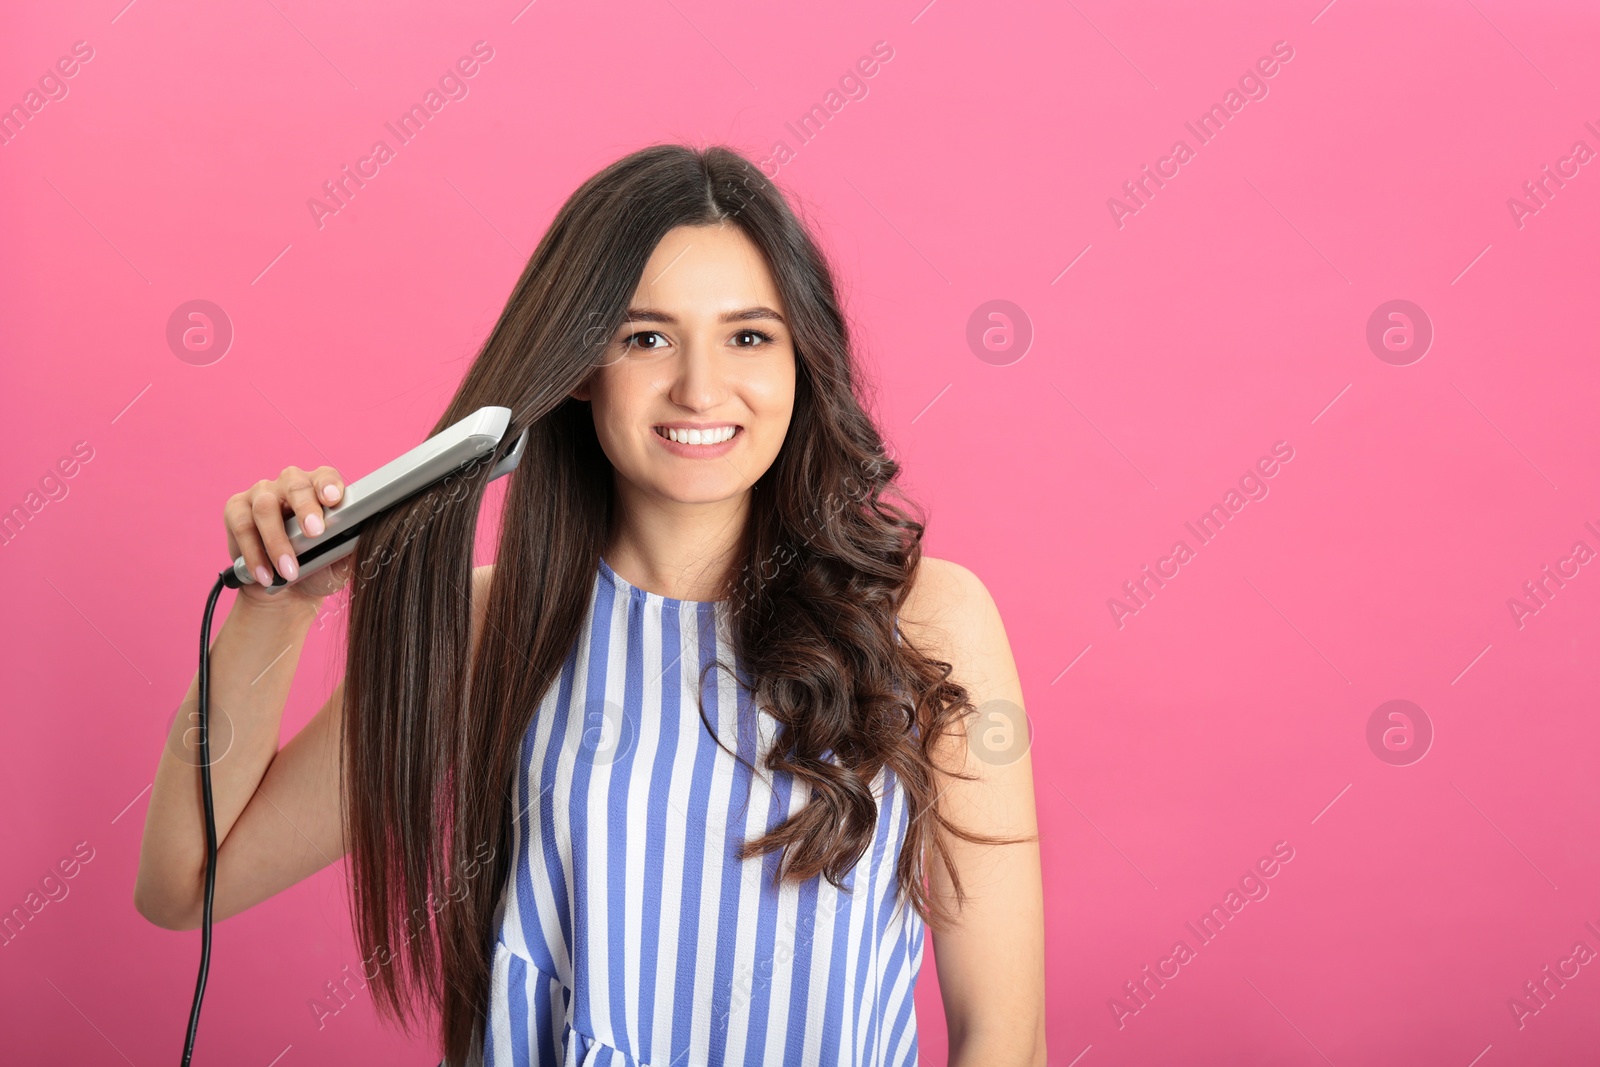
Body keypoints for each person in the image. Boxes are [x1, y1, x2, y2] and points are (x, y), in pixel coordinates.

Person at [135, 143, 1046, 1066]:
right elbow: (183, 883)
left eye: (748, 335)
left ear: (802, 357)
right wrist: (277, 607)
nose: (699, 387)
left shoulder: (930, 621)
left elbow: (1005, 1035)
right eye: (645, 336)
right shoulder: (493, 631)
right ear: (577, 364)